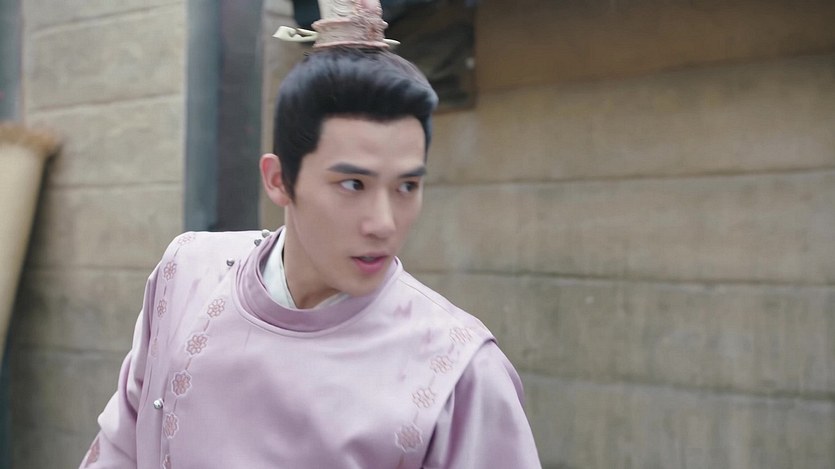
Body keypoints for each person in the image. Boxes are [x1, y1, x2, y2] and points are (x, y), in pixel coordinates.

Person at [80, 1, 541, 467]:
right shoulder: (188, 277)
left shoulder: (460, 372)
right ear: (279, 180)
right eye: (353, 184)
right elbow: (120, 449)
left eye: (406, 186)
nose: (384, 223)